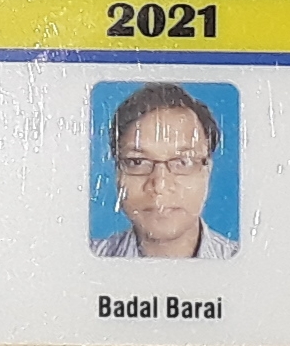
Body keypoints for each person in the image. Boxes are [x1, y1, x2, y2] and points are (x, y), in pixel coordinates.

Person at [93, 82, 235, 261]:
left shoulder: (251, 266)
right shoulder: (81, 264)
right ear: (118, 172)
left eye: (183, 162)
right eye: (137, 162)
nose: (159, 185)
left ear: (207, 171)